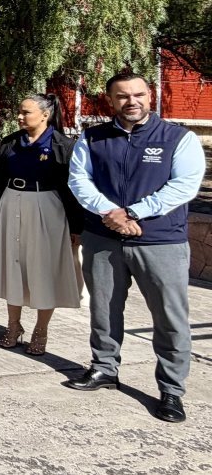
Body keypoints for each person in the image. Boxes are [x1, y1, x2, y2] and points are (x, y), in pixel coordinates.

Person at [65, 72, 206, 424]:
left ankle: (171, 390)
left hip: (160, 240)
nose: (132, 102)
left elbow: (184, 186)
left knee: (170, 318)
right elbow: (79, 180)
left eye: (139, 94)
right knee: (103, 309)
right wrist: (109, 213)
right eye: (123, 96)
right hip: (103, 237)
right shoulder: (93, 137)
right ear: (110, 100)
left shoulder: (178, 138)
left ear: (150, 95)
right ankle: (104, 369)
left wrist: (132, 212)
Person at [0, 94, 83, 355]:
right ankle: (13, 325)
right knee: (13, 265)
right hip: (11, 204)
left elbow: (73, 189)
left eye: (25, 112)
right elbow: (0, 178)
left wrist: (76, 226)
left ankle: (41, 329)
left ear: (44, 115)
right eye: (20, 111)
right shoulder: (10, 143)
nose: (19, 116)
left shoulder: (64, 145)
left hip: (47, 208)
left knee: (43, 270)